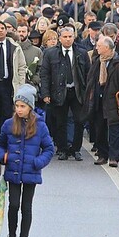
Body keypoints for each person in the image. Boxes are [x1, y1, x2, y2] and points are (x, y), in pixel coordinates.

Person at [0, 84, 54, 237]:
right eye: (17, 106)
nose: (19, 109)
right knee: (13, 206)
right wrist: (3, 156)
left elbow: (49, 149)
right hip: (13, 171)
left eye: (23, 106)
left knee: (26, 208)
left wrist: (38, 162)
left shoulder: (40, 126)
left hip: (31, 172)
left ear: (30, 107)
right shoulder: (8, 124)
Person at [40, 26, 90, 161]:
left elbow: (88, 74)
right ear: (60, 38)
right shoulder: (50, 53)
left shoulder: (81, 52)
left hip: (77, 91)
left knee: (79, 121)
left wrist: (87, 94)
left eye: (70, 37)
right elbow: (45, 74)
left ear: (74, 37)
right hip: (59, 91)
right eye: (65, 37)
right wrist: (45, 93)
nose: (68, 39)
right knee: (60, 121)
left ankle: (76, 149)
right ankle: (62, 149)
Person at [84, 36, 119, 168]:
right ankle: (102, 154)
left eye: (99, 46)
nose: (96, 48)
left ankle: (114, 156)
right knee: (100, 129)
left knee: (114, 129)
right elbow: (91, 80)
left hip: (113, 101)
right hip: (99, 100)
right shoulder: (97, 61)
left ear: (107, 48)